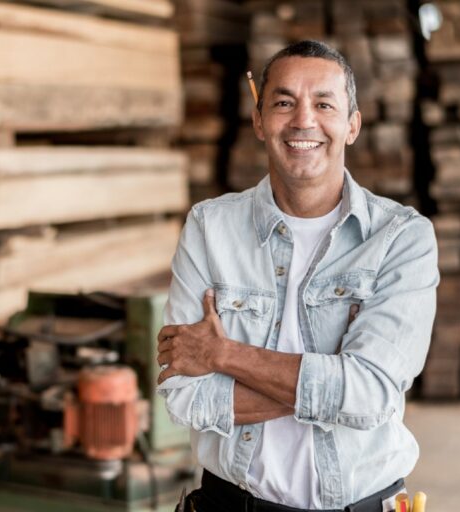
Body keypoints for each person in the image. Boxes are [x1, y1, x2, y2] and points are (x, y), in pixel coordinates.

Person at [156, 40, 439, 512]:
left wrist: (222, 354)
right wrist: (335, 383)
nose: (303, 120)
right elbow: (183, 396)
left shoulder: (401, 238)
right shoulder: (210, 228)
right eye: (284, 102)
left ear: (352, 125)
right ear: (259, 120)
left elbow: (371, 394)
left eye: (324, 103)